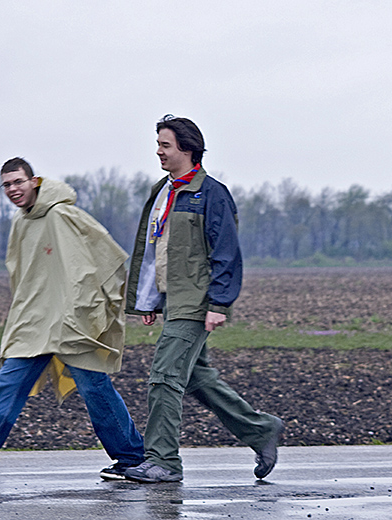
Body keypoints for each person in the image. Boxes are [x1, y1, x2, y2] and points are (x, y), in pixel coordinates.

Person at [0, 158, 144, 483]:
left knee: (95, 388)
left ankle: (131, 458)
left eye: (18, 182)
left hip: (72, 324)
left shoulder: (62, 214)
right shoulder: (21, 222)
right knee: (8, 388)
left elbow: (105, 256)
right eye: (7, 185)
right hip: (37, 324)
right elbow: (26, 277)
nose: (13, 190)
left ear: (34, 181)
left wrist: (87, 309)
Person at [123, 114, 283, 483]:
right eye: (158, 145)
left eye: (165, 145)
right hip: (173, 300)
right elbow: (155, 250)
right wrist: (149, 299)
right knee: (197, 378)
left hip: (196, 302)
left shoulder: (212, 193)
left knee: (164, 376)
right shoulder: (162, 192)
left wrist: (218, 304)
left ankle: (163, 461)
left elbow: (226, 252)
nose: (159, 152)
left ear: (188, 148)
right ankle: (261, 430)